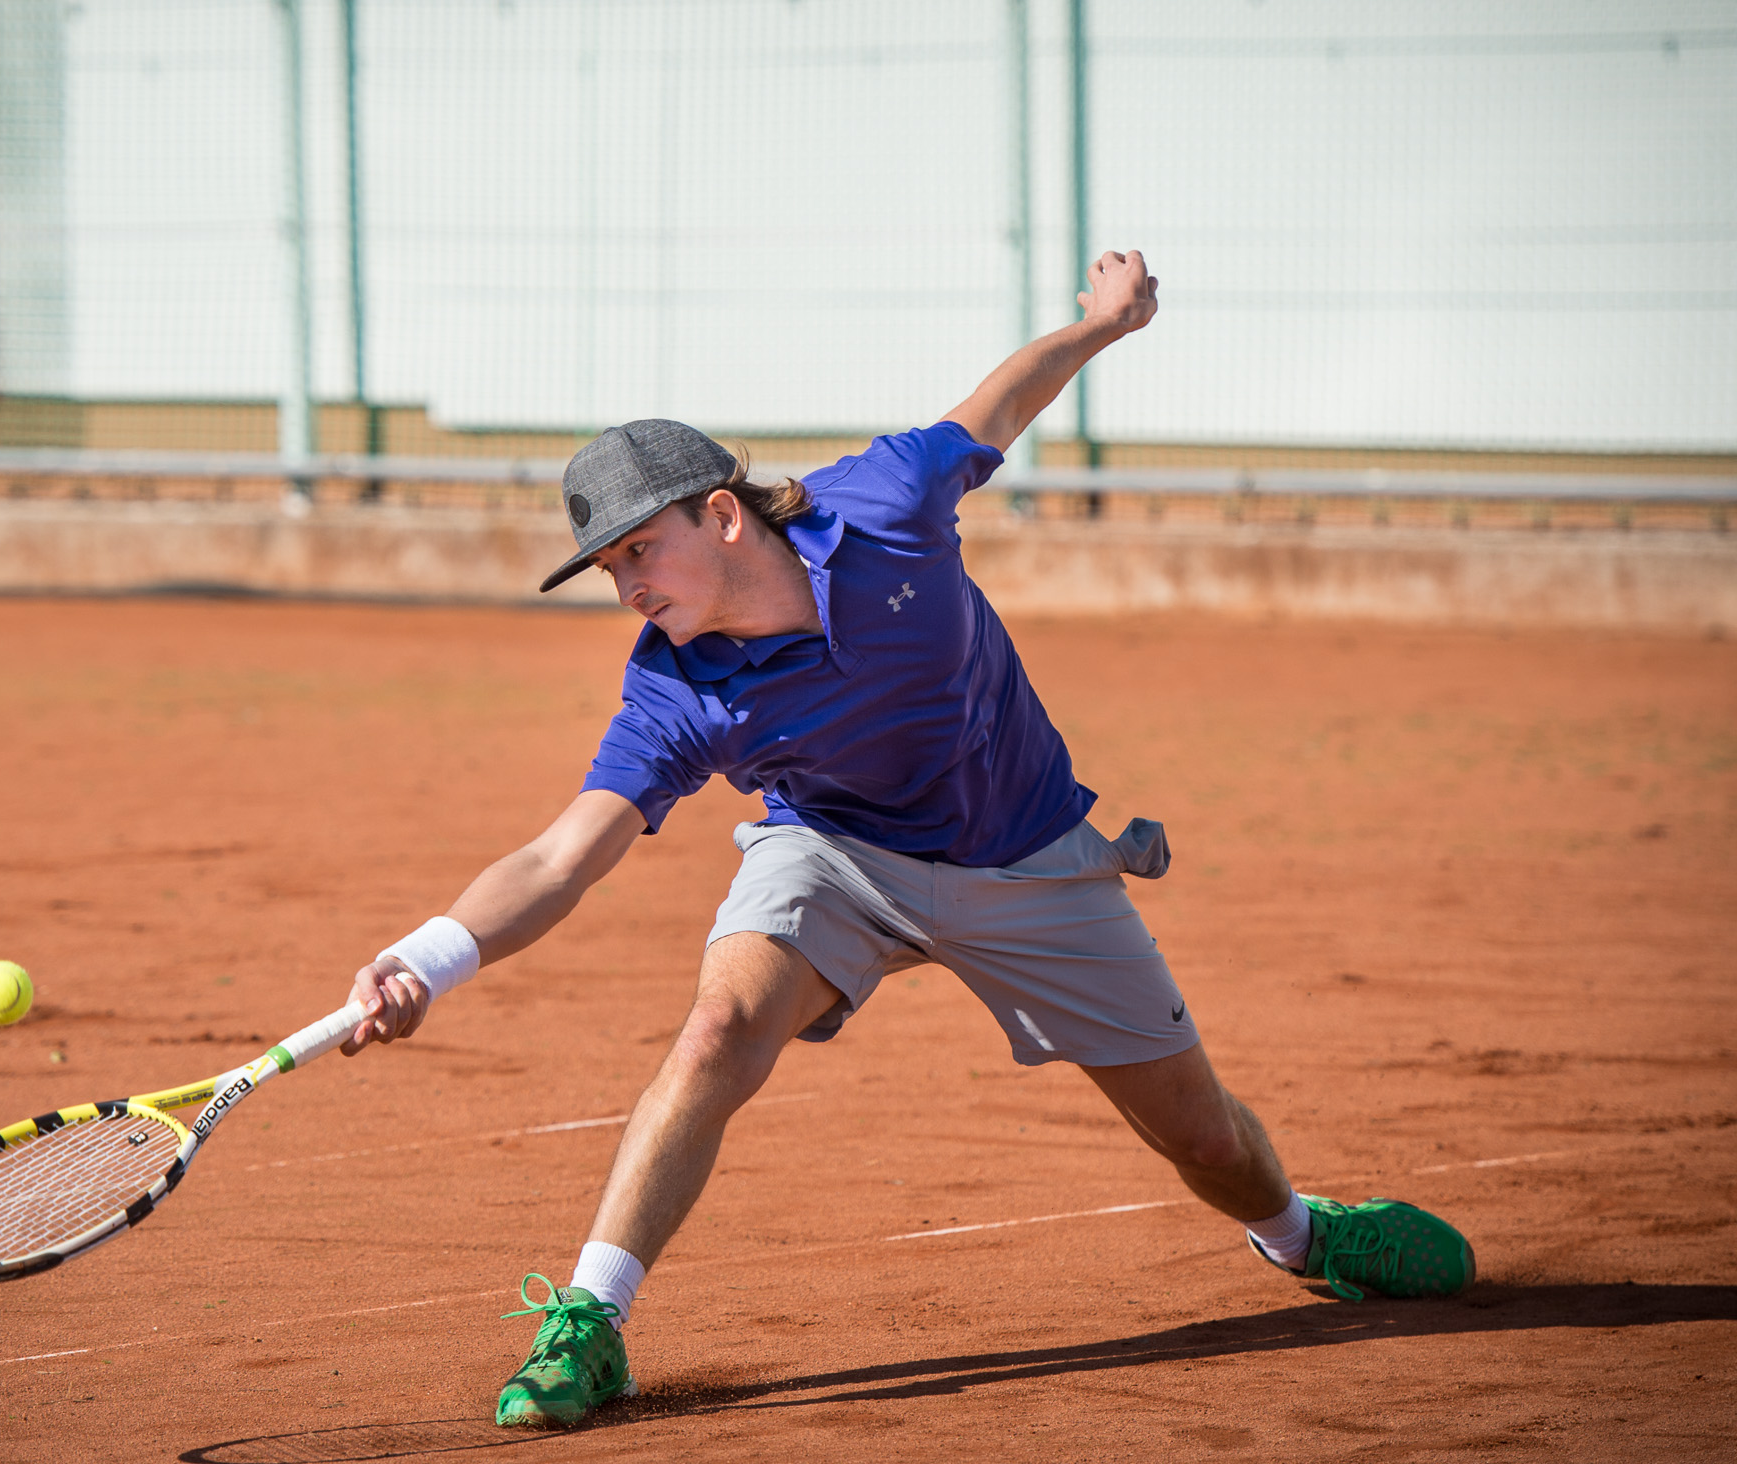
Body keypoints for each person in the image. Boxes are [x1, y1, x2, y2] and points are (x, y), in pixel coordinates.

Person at [337, 250, 1475, 1428]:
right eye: (607, 567)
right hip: (834, 854)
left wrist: (1102, 325)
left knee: (1202, 1139)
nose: (625, 585)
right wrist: (428, 958)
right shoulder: (674, 689)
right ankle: (590, 1320)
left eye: (638, 549)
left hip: (1026, 853)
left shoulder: (882, 504)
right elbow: (560, 855)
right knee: (719, 1028)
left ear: (721, 514)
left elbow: (1001, 404)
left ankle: (1299, 1236)